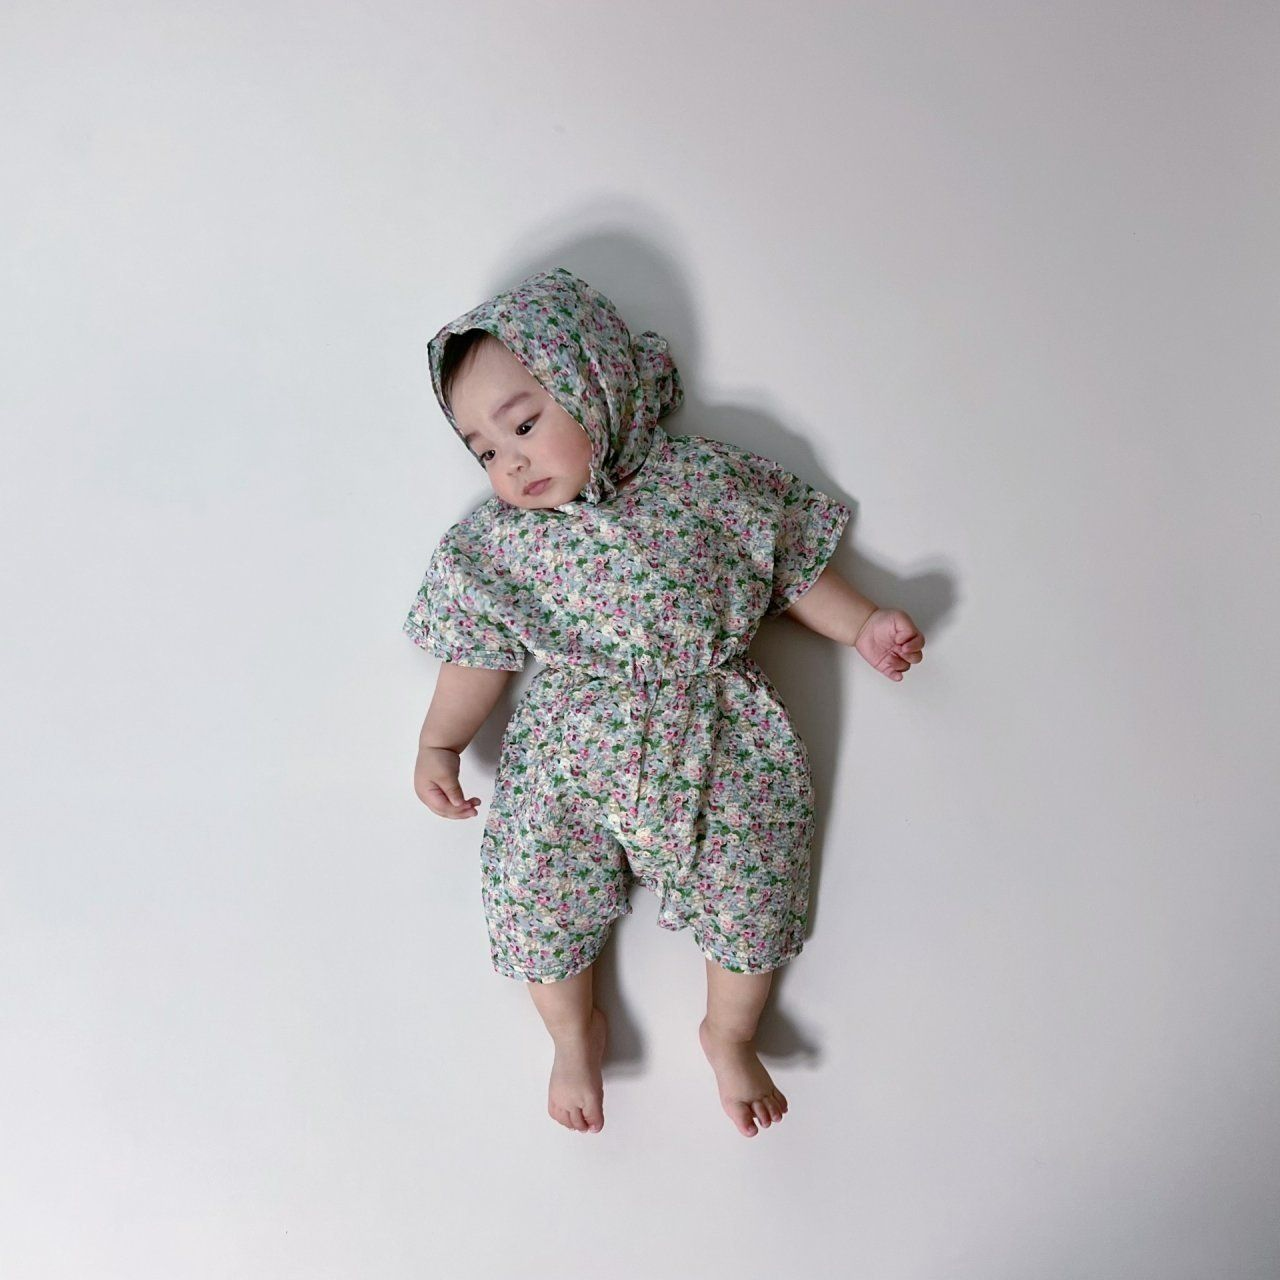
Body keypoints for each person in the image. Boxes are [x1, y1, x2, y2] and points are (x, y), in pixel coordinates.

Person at [404, 267, 925, 1138]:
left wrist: (864, 624)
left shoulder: (705, 483)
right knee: (532, 887)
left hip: (716, 732)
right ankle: (573, 1035)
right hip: (569, 749)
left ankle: (730, 1034)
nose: (511, 462)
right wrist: (440, 744)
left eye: (524, 425)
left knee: (756, 884)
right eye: (484, 451)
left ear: (598, 387)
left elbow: (791, 569)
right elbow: (475, 654)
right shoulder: (501, 544)